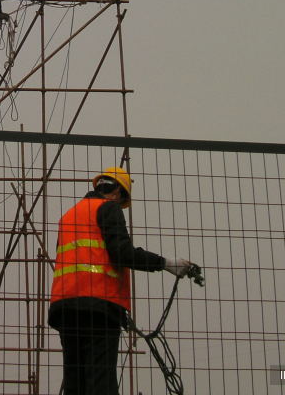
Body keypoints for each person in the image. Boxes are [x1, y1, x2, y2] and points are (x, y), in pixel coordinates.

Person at [49, 167, 197, 395]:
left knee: (75, 383)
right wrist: (166, 263)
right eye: (122, 200)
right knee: (101, 382)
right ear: (117, 191)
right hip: (98, 308)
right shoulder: (108, 208)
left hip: (65, 307)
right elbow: (123, 253)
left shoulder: (68, 215)